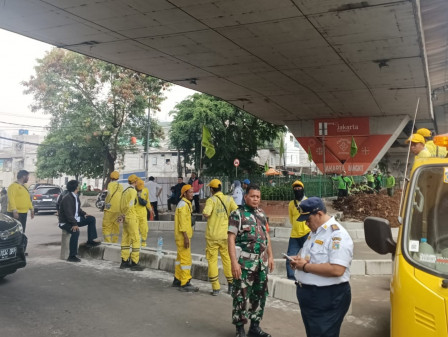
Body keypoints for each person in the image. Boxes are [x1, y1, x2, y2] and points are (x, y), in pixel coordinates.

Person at [290, 197, 353, 337]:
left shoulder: (337, 235)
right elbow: (310, 258)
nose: (306, 224)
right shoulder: (314, 232)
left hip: (327, 297)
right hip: (311, 297)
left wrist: (305, 267)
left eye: (308, 220)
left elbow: (337, 269)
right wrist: (298, 261)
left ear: (319, 214)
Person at [228, 184, 274, 337]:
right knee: (241, 295)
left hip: (261, 263)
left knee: (260, 295)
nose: (256, 199)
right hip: (244, 263)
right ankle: (240, 329)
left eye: (258, 197)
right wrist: (234, 263)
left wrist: (271, 256)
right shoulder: (237, 214)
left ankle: (254, 327)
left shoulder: (261, 214)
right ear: (245, 196)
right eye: (253, 196)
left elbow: (266, 237)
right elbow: (231, 239)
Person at [202, 179, 238, 296]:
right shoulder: (229, 199)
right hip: (225, 235)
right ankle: (231, 284)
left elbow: (206, 214)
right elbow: (236, 211)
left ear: (212, 189)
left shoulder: (211, 200)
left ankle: (215, 288)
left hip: (212, 236)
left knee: (212, 260)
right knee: (227, 259)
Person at [58, 180, 100, 262]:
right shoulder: (67, 198)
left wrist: (85, 214)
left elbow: (78, 209)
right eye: (78, 185)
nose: (79, 186)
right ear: (75, 187)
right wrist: (74, 224)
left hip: (75, 219)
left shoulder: (75, 196)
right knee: (76, 231)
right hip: (65, 222)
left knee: (91, 219)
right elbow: (68, 214)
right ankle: (72, 256)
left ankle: (90, 241)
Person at [172, 184, 199, 292]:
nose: (192, 194)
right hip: (183, 237)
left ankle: (177, 279)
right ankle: (185, 282)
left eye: (192, 192)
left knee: (180, 259)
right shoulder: (183, 205)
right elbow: (182, 223)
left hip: (181, 236)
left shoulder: (184, 204)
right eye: (190, 192)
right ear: (184, 194)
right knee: (186, 260)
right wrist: (186, 237)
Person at [119, 174, 145, 271]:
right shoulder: (133, 191)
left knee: (125, 239)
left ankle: (124, 261)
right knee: (136, 239)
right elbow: (130, 204)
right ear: (135, 182)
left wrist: (122, 215)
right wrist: (127, 214)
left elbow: (121, 205)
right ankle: (135, 263)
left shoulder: (124, 191)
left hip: (125, 217)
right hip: (131, 217)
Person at [286, 180, 310, 280]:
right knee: (290, 257)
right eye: (295, 188)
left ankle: (309, 276)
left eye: (299, 188)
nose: (297, 190)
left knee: (309, 256)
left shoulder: (308, 201)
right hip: (294, 235)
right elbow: (292, 219)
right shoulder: (291, 204)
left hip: (307, 234)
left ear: (303, 189)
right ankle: (291, 278)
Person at [102, 171, 123, 243]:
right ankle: (115, 243)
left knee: (106, 226)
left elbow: (109, 195)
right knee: (116, 226)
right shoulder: (121, 186)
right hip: (118, 209)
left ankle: (108, 242)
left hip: (110, 209)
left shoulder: (110, 184)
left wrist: (106, 205)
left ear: (111, 177)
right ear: (118, 178)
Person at [136, 179, 152, 247]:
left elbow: (147, 200)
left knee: (144, 229)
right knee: (135, 230)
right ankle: (136, 244)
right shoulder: (132, 191)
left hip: (143, 213)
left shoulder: (145, 190)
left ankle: (143, 244)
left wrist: (150, 209)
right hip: (135, 213)